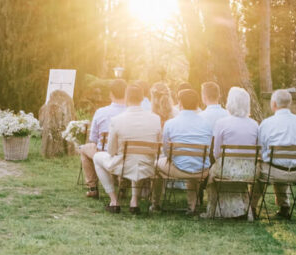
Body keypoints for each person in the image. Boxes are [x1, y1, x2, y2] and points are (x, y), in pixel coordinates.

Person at [93, 84, 162, 213]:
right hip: (147, 165)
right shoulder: (155, 119)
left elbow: (111, 151)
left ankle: (114, 201)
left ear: (126, 98)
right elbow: (158, 144)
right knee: (139, 160)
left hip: (124, 166)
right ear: (142, 98)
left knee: (97, 157)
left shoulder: (117, 120)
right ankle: (134, 201)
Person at [252, 89, 296, 219]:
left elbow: (260, 150)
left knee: (260, 168)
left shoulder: (267, 123)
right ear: (289, 104)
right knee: (279, 165)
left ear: (273, 104)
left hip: (274, 172)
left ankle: (252, 207)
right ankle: (284, 206)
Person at [152, 89, 213, 213]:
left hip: (178, 169)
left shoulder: (171, 123)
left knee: (156, 165)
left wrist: (173, 158)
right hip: (201, 170)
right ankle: (192, 205)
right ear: (197, 104)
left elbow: (165, 149)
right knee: (192, 164)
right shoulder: (207, 124)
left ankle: (155, 203)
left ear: (180, 103)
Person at [203, 86, 259, 219]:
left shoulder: (221, 123)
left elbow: (216, 153)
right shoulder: (255, 125)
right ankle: (242, 209)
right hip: (248, 171)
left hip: (226, 170)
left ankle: (215, 211)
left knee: (212, 175)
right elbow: (258, 149)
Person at [78, 79, 126, 198]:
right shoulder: (130, 113)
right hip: (125, 154)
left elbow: (93, 138)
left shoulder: (101, 112)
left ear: (110, 94)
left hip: (103, 152)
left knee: (84, 149)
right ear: (126, 94)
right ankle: (123, 188)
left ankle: (93, 187)